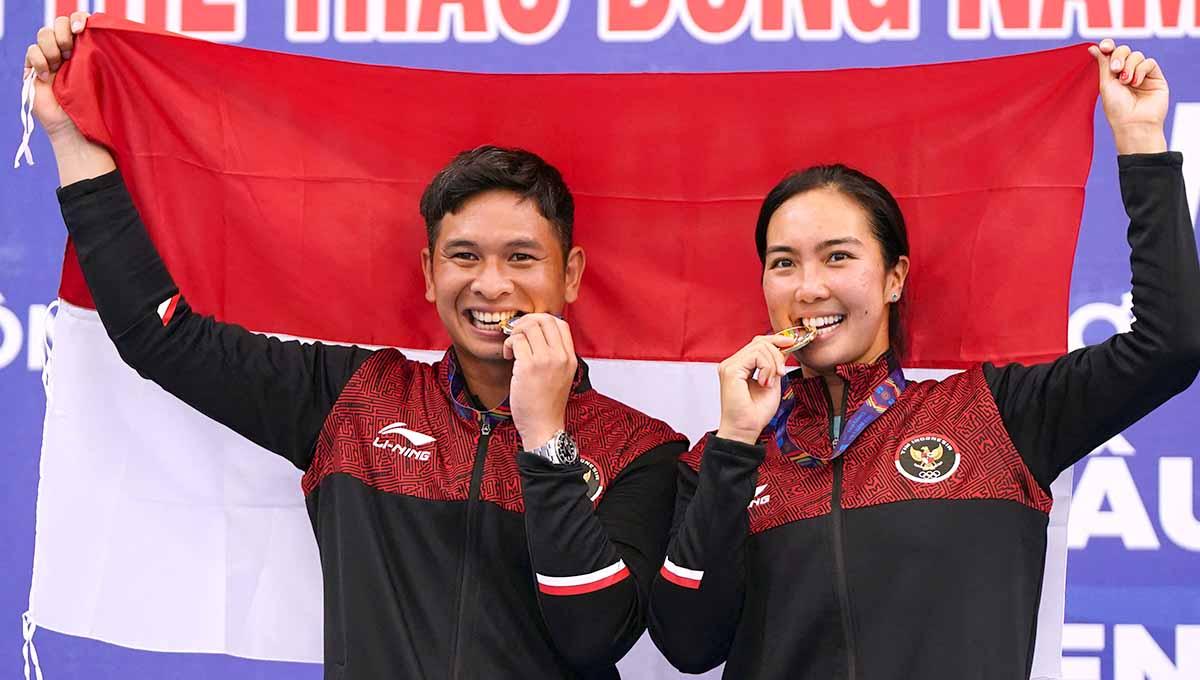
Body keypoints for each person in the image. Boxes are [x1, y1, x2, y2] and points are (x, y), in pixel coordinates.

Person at [26, 12, 687, 680]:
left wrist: (546, 440)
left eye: (521, 257)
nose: (492, 285)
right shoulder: (356, 400)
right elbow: (160, 335)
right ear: (429, 275)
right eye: (464, 257)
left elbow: (595, 635)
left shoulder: (640, 450)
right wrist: (68, 138)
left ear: (569, 274)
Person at [647, 39, 1199, 680]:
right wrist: (736, 447)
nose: (808, 287)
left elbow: (1168, 345)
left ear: (893, 278)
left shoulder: (995, 417)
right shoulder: (718, 461)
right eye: (782, 263)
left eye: (838, 256)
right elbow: (688, 645)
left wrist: (1141, 144)